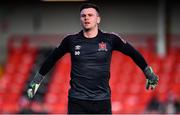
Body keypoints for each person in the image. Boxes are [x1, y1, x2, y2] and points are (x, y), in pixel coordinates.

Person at [27, 3, 158, 114]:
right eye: (83, 15)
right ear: (80, 19)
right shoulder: (70, 40)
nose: (86, 18)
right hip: (77, 101)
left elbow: (133, 53)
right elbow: (52, 58)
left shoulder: (110, 39)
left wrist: (148, 73)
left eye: (90, 15)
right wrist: (37, 80)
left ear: (98, 19)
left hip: (102, 101)